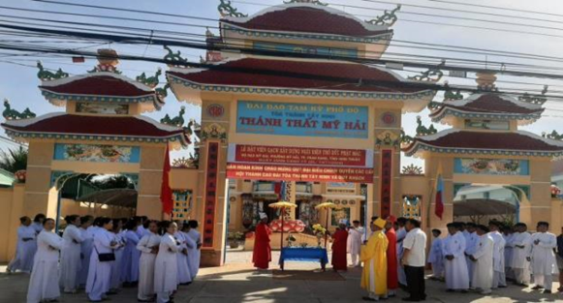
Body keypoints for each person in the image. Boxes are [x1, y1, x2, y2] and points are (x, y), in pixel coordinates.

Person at [26, 218, 63, 303]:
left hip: (52, 260)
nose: (51, 225)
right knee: (39, 279)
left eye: (52, 223)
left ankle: (49, 296)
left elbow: (64, 242)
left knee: (51, 278)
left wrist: (57, 245)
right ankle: (34, 299)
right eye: (49, 223)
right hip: (43, 260)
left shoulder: (53, 234)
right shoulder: (43, 234)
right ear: (44, 225)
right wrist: (57, 245)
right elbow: (58, 244)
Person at [86, 217, 120, 302]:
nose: (112, 225)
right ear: (105, 224)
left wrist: (117, 243)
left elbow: (116, 242)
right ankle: (94, 295)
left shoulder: (106, 232)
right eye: (111, 223)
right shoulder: (100, 233)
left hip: (106, 257)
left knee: (105, 276)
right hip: (99, 257)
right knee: (100, 276)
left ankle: (101, 294)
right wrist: (117, 244)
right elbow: (109, 243)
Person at [361, 218, 388, 302]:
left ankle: (374, 296)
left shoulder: (375, 235)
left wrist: (363, 246)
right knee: (380, 276)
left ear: (376, 226)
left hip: (373, 259)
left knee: (373, 276)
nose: (371, 226)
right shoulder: (383, 235)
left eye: (372, 225)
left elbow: (369, 249)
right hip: (381, 258)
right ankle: (382, 294)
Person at [401, 218, 427, 302]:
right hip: (420, 260)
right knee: (420, 279)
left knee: (412, 280)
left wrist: (403, 259)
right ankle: (421, 294)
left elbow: (407, 248)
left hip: (411, 261)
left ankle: (414, 296)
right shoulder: (423, 233)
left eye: (407, 224)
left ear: (412, 224)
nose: (406, 226)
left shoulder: (411, 234)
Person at [154, 221, 180, 303]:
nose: (174, 228)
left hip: (168, 261)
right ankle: (162, 299)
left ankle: (166, 297)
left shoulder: (170, 237)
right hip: (164, 262)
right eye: (172, 227)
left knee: (167, 279)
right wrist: (180, 245)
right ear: (166, 228)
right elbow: (175, 248)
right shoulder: (168, 237)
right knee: (163, 280)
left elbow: (174, 248)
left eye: (175, 227)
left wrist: (177, 245)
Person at [530, 221, 558, 294]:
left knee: (547, 272)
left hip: (547, 256)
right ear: (538, 227)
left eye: (544, 226)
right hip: (536, 255)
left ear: (547, 227)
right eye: (540, 226)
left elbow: (552, 245)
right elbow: (532, 245)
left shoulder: (552, 235)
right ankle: (538, 284)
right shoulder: (534, 235)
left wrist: (540, 243)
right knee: (537, 271)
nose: (542, 228)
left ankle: (548, 288)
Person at [137, 220, 161, 302]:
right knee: (145, 277)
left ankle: (150, 294)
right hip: (146, 258)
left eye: (154, 226)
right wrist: (149, 250)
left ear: (158, 227)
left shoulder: (159, 236)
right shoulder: (147, 236)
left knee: (152, 277)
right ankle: (142, 296)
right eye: (150, 226)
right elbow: (139, 246)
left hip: (155, 258)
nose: (152, 228)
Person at [59, 215, 84, 293]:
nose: (80, 221)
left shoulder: (74, 228)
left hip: (74, 251)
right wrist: (79, 240)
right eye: (78, 220)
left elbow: (79, 239)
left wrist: (78, 240)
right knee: (70, 269)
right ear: (72, 221)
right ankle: (69, 287)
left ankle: (70, 285)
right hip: (70, 251)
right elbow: (80, 239)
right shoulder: (71, 229)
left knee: (72, 269)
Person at [442, 222, 469, 292]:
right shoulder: (447, 237)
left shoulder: (461, 237)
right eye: (448, 229)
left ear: (457, 229)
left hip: (458, 258)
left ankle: (464, 287)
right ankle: (450, 287)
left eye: (451, 228)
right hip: (448, 258)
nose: (450, 230)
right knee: (449, 272)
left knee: (460, 272)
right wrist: (446, 254)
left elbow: (462, 248)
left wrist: (454, 255)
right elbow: (443, 247)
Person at [469, 225, 494, 295]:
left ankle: (487, 289)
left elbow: (483, 250)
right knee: (478, 273)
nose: (476, 231)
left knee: (485, 274)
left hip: (484, 259)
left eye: (478, 229)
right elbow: (476, 248)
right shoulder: (480, 238)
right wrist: (472, 255)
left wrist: (474, 256)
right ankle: (479, 286)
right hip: (478, 259)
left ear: (483, 231)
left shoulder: (488, 239)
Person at [110, 219, 126, 293]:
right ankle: (111, 287)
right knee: (113, 270)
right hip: (113, 254)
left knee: (117, 270)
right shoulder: (110, 234)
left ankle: (115, 286)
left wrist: (120, 245)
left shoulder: (120, 234)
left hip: (119, 254)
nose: (121, 225)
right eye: (120, 223)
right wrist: (120, 245)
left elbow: (123, 243)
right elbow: (113, 245)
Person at [123, 220, 141, 286]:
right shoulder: (131, 233)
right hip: (132, 251)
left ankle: (130, 279)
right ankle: (132, 280)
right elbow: (138, 241)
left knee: (130, 266)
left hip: (131, 251)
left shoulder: (129, 232)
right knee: (132, 266)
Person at [488, 221, 506, 289]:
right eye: (490, 226)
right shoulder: (488, 234)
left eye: (493, 226)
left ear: (496, 227)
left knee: (495, 269)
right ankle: (490, 283)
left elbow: (498, 245)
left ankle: (494, 284)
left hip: (495, 254)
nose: (491, 227)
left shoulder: (498, 235)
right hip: (489, 254)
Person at [78, 216, 94, 288]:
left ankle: (86, 282)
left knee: (88, 267)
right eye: (88, 222)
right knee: (82, 267)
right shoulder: (79, 230)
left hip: (90, 251)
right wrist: (80, 252)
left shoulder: (90, 230)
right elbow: (78, 242)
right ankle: (80, 282)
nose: (90, 223)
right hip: (83, 251)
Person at [384, 216, 398, 297]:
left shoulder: (390, 233)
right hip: (390, 255)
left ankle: (391, 290)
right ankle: (392, 290)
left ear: (390, 224)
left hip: (389, 255)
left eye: (386, 224)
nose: (384, 225)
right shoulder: (390, 232)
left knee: (390, 273)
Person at [396, 217, 408, 287]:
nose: (399, 224)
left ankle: (403, 283)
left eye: (400, 222)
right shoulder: (401, 229)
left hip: (402, 249)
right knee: (399, 268)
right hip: (399, 248)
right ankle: (400, 281)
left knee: (401, 267)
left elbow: (397, 238)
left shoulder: (404, 230)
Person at [557, 226, 563, 292]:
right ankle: (561, 286)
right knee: (561, 272)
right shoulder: (558, 238)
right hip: (560, 257)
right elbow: (554, 247)